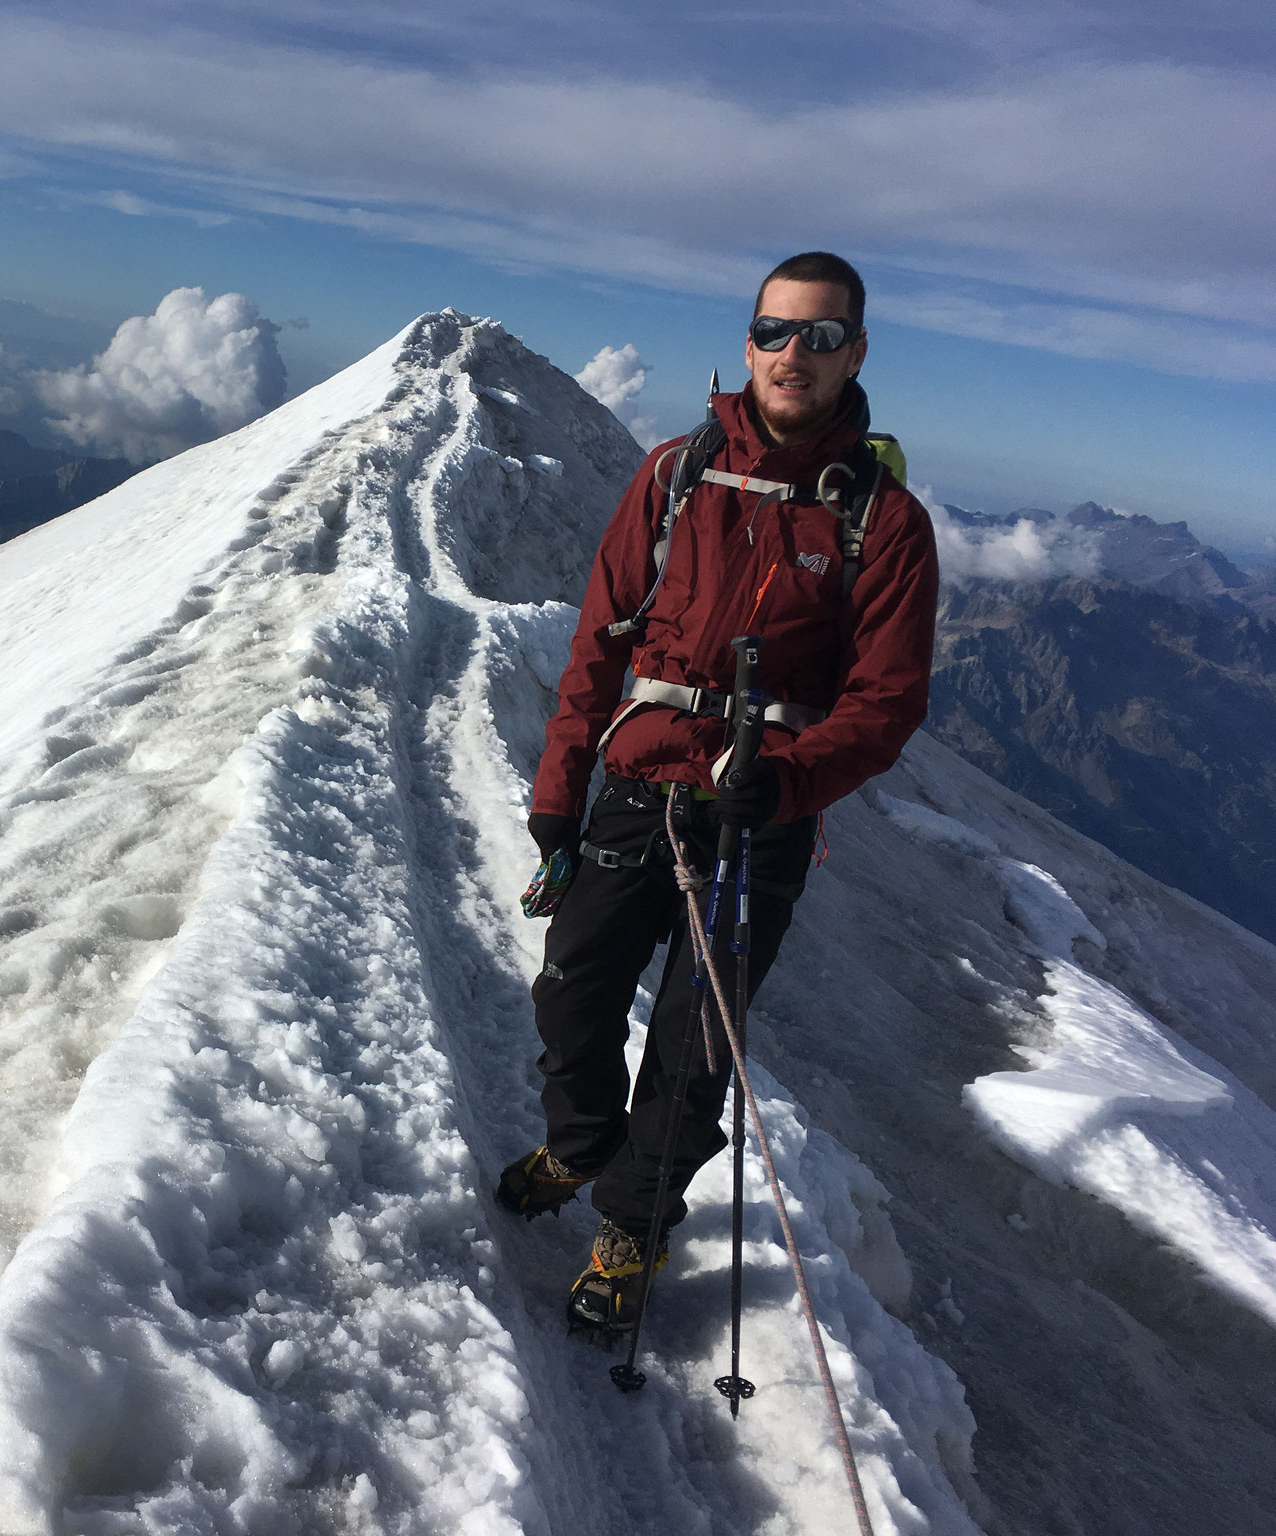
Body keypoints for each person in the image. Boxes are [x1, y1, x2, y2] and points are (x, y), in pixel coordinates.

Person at [496, 251, 940, 1334]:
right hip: (636, 789)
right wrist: (556, 795)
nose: (797, 353)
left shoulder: (882, 525)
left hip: (757, 822)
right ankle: (581, 1140)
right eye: (777, 332)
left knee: (697, 1046)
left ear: (857, 353)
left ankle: (630, 1227)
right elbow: (598, 645)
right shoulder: (672, 475)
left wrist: (786, 783)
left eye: (822, 335)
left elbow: (882, 704)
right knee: (572, 987)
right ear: (747, 344)